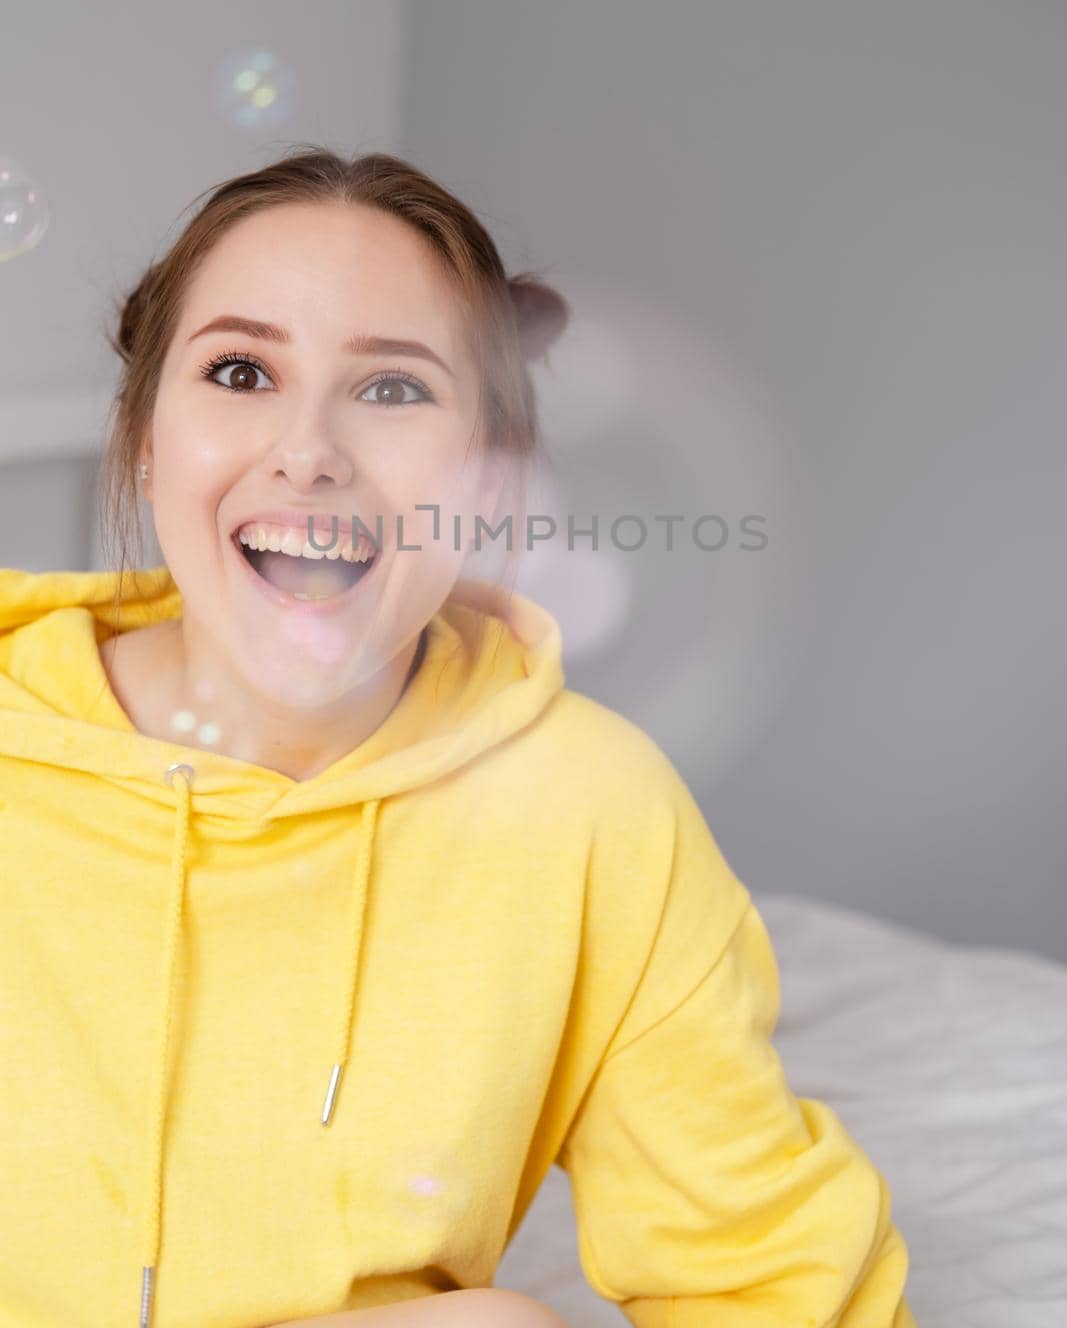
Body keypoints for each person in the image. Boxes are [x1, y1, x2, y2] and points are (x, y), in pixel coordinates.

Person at [0, 148, 916, 1328]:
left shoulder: (585, 811)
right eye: (238, 370)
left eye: (391, 390)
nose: (308, 450)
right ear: (144, 441)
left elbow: (770, 1278)